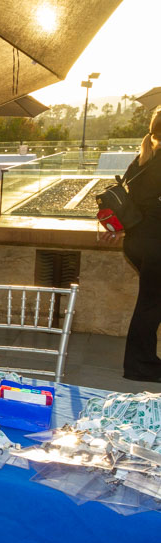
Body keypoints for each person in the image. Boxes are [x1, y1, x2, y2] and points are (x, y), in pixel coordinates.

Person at [119, 106, 161, 382]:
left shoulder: (142, 159)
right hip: (156, 243)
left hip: (137, 241)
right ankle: (139, 366)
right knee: (150, 306)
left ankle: (143, 362)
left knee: (150, 304)